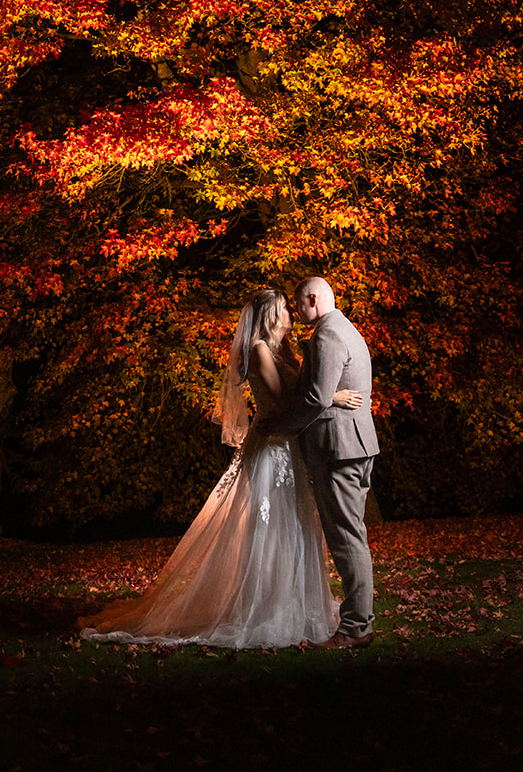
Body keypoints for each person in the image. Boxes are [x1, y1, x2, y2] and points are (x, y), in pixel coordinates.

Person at [79, 287, 363, 648]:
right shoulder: (260, 350)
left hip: (287, 444)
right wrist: (331, 397)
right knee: (272, 527)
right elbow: (281, 402)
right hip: (271, 448)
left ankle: (293, 603)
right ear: (270, 315)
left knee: (295, 523)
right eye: (284, 308)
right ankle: (265, 606)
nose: (291, 313)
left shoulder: (282, 349)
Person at [262, 275, 378, 649]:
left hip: (338, 448)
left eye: (298, 305)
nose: (296, 313)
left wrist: (279, 427)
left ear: (313, 299)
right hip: (356, 444)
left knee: (346, 537)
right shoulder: (348, 330)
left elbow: (316, 398)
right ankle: (359, 622)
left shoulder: (327, 335)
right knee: (351, 533)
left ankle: (356, 628)